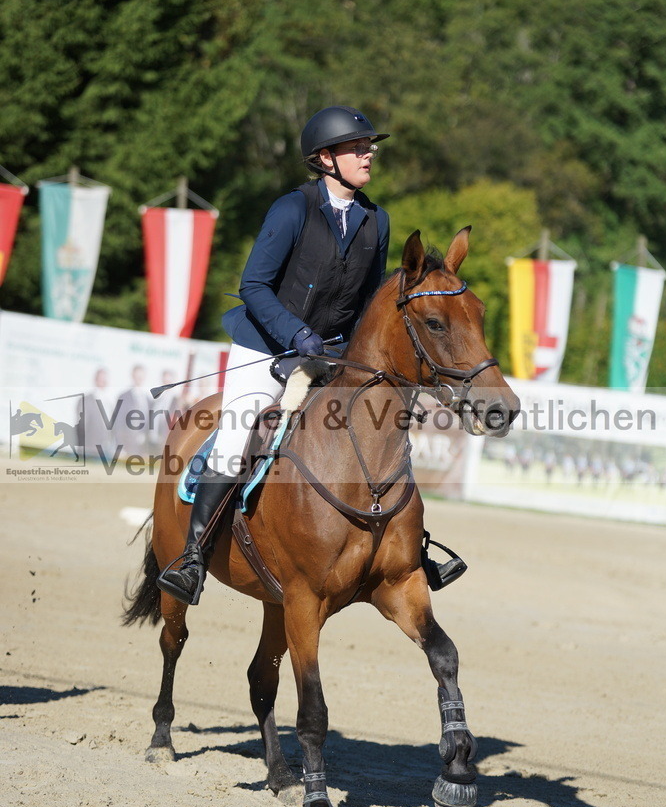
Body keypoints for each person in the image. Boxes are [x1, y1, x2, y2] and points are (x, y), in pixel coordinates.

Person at [157, 105, 466, 605]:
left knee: (381, 431)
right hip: (265, 346)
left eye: (370, 147)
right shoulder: (291, 209)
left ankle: (412, 550)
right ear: (326, 158)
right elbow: (253, 286)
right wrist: (297, 333)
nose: (369, 153)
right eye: (357, 147)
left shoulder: (375, 220)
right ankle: (192, 557)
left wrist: (357, 350)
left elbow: (369, 301)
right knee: (237, 433)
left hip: (332, 356)